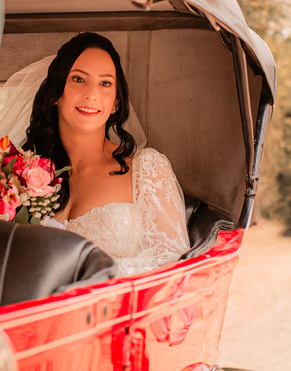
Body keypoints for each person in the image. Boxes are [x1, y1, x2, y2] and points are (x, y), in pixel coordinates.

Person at [23, 32, 189, 275]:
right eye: (78, 79)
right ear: (57, 92)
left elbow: (173, 266)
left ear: (115, 103)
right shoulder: (21, 173)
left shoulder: (146, 170)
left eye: (105, 83)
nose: (91, 94)